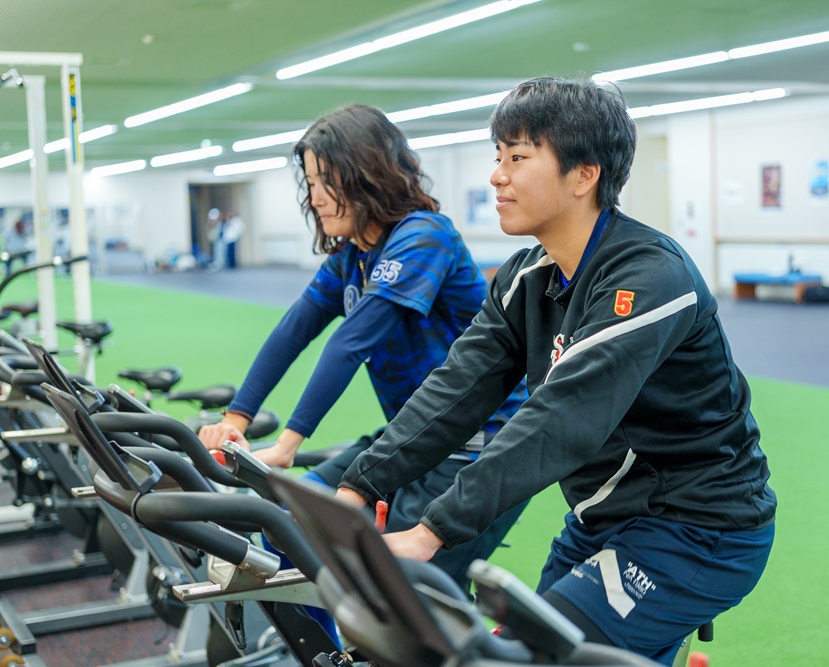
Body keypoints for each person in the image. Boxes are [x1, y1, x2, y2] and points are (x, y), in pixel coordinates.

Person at [335, 77, 776, 666]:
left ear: (583, 174)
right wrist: (359, 486)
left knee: (535, 655)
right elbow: (455, 391)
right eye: (498, 157)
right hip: (602, 521)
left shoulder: (650, 278)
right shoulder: (526, 277)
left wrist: (430, 531)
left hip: (699, 529)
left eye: (517, 157)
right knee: (539, 646)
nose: (497, 175)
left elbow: (560, 418)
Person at [198, 104, 528, 594]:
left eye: (326, 180)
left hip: (480, 445)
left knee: (406, 595)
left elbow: (351, 341)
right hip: (409, 438)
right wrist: (236, 419)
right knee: (289, 520)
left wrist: (289, 445)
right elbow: (295, 329)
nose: (317, 198)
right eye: (310, 183)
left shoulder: (424, 236)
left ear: (366, 173)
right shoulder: (354, 255)